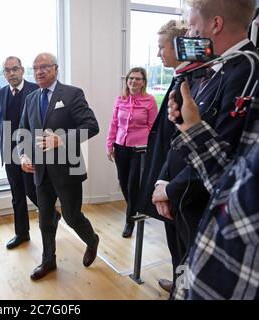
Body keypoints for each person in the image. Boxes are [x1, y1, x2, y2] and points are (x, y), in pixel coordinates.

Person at [153, 0, 258, 288]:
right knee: (183, 265)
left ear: (216, 24)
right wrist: (165, 180)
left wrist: (170, 190)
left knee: (199, 274)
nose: (189, 38)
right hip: (182, 194)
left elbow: (229, 158)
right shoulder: (212, 69)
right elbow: (182, 136)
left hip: (204, 203)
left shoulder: (247, 70)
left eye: (194, 29)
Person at [168, 80, 259, 299]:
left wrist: (170, 188)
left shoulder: (243, 71)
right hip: (201, 277)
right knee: (179, 252)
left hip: (194, 194)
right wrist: (194, 130)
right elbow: (233, 181)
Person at [17, 52, 100, 281]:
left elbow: (92, 126)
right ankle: (48, 261)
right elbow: (23, 131)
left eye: (44, 67)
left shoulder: (72, 94)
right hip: (40, 171)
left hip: (67, 170)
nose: (39, 71)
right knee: (45, 220)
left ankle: (92, 239)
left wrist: (61, 139)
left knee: (73, 217)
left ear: (55, 69)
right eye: (35, 68)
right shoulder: (31, 98)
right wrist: (23, 156)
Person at [136, 20, 189, 294]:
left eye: (161, 47)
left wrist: (167, 184)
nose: (158, 54)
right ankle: (178, 281)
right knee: (174, 241)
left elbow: (181, 142)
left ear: (179, 45)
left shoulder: (189, 83)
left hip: (178, 183)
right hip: (167, 178)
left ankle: (183, 288)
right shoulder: (179, 78)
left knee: (183, 242)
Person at [0, 56, 39, 249]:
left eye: (15, 69)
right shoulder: (0, 94)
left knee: (32, 191)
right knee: (17, 194)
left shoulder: (35, 90)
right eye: (8, 70)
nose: (12, 73)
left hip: (31, 151)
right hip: (9, 152)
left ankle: (51, 215)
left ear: (22, 70)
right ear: (4, 73)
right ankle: (22, 234)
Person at [106, 67, 158, 238]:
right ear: (127, 81)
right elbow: (114, 123)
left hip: (140, 149)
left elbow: (153, 128)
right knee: (123, 181)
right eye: (131, 78)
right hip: (121, 146)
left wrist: (151, 150)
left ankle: (130, 221)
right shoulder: (120, 99)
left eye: (138, 79)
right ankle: (136, 208)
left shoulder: (149, 101)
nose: (133, 81)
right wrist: (109, 145)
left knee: (133, 185)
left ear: (143, 82)